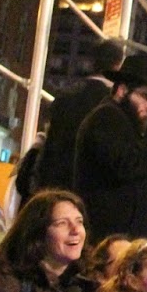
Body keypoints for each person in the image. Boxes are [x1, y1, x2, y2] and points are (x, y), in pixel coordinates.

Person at [74, 63, 147, 240]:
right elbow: (125, 164)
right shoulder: (107, 117)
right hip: (109, 237)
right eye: (144, 97)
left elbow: (135, 163)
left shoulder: (128, 124)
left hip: (127, 237)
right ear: (122, 90)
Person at [35, 38, 127, 191]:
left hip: (55, 184)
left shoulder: (65, 95)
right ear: (118, 66)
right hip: (91, 188)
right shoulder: (114, 104)